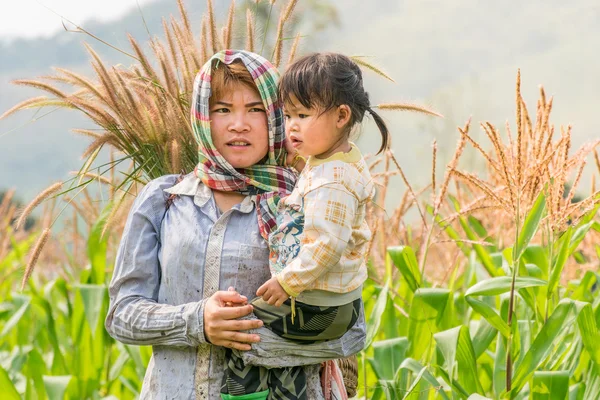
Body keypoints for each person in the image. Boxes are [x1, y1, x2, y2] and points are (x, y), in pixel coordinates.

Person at [105, 50, 366, 400]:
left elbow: (352, 332)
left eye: (255, 109)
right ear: (202, 117)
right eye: (222, 109)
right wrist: (198, 322)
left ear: (278, 116)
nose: (238, 124)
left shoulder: (310, 195)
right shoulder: (164, 199)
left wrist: (255, 343)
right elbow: (122, 316)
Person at [221, 53, 390, 400]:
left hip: (316, 308)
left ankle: (240, 396)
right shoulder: (334, 159)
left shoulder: (332, 181)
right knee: (282, 358)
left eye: (303, 115)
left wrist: (286, 281)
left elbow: (325, 246)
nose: (292, 126)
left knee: (241, 334)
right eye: (288, 115)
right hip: (330, 302)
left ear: (342, 116)